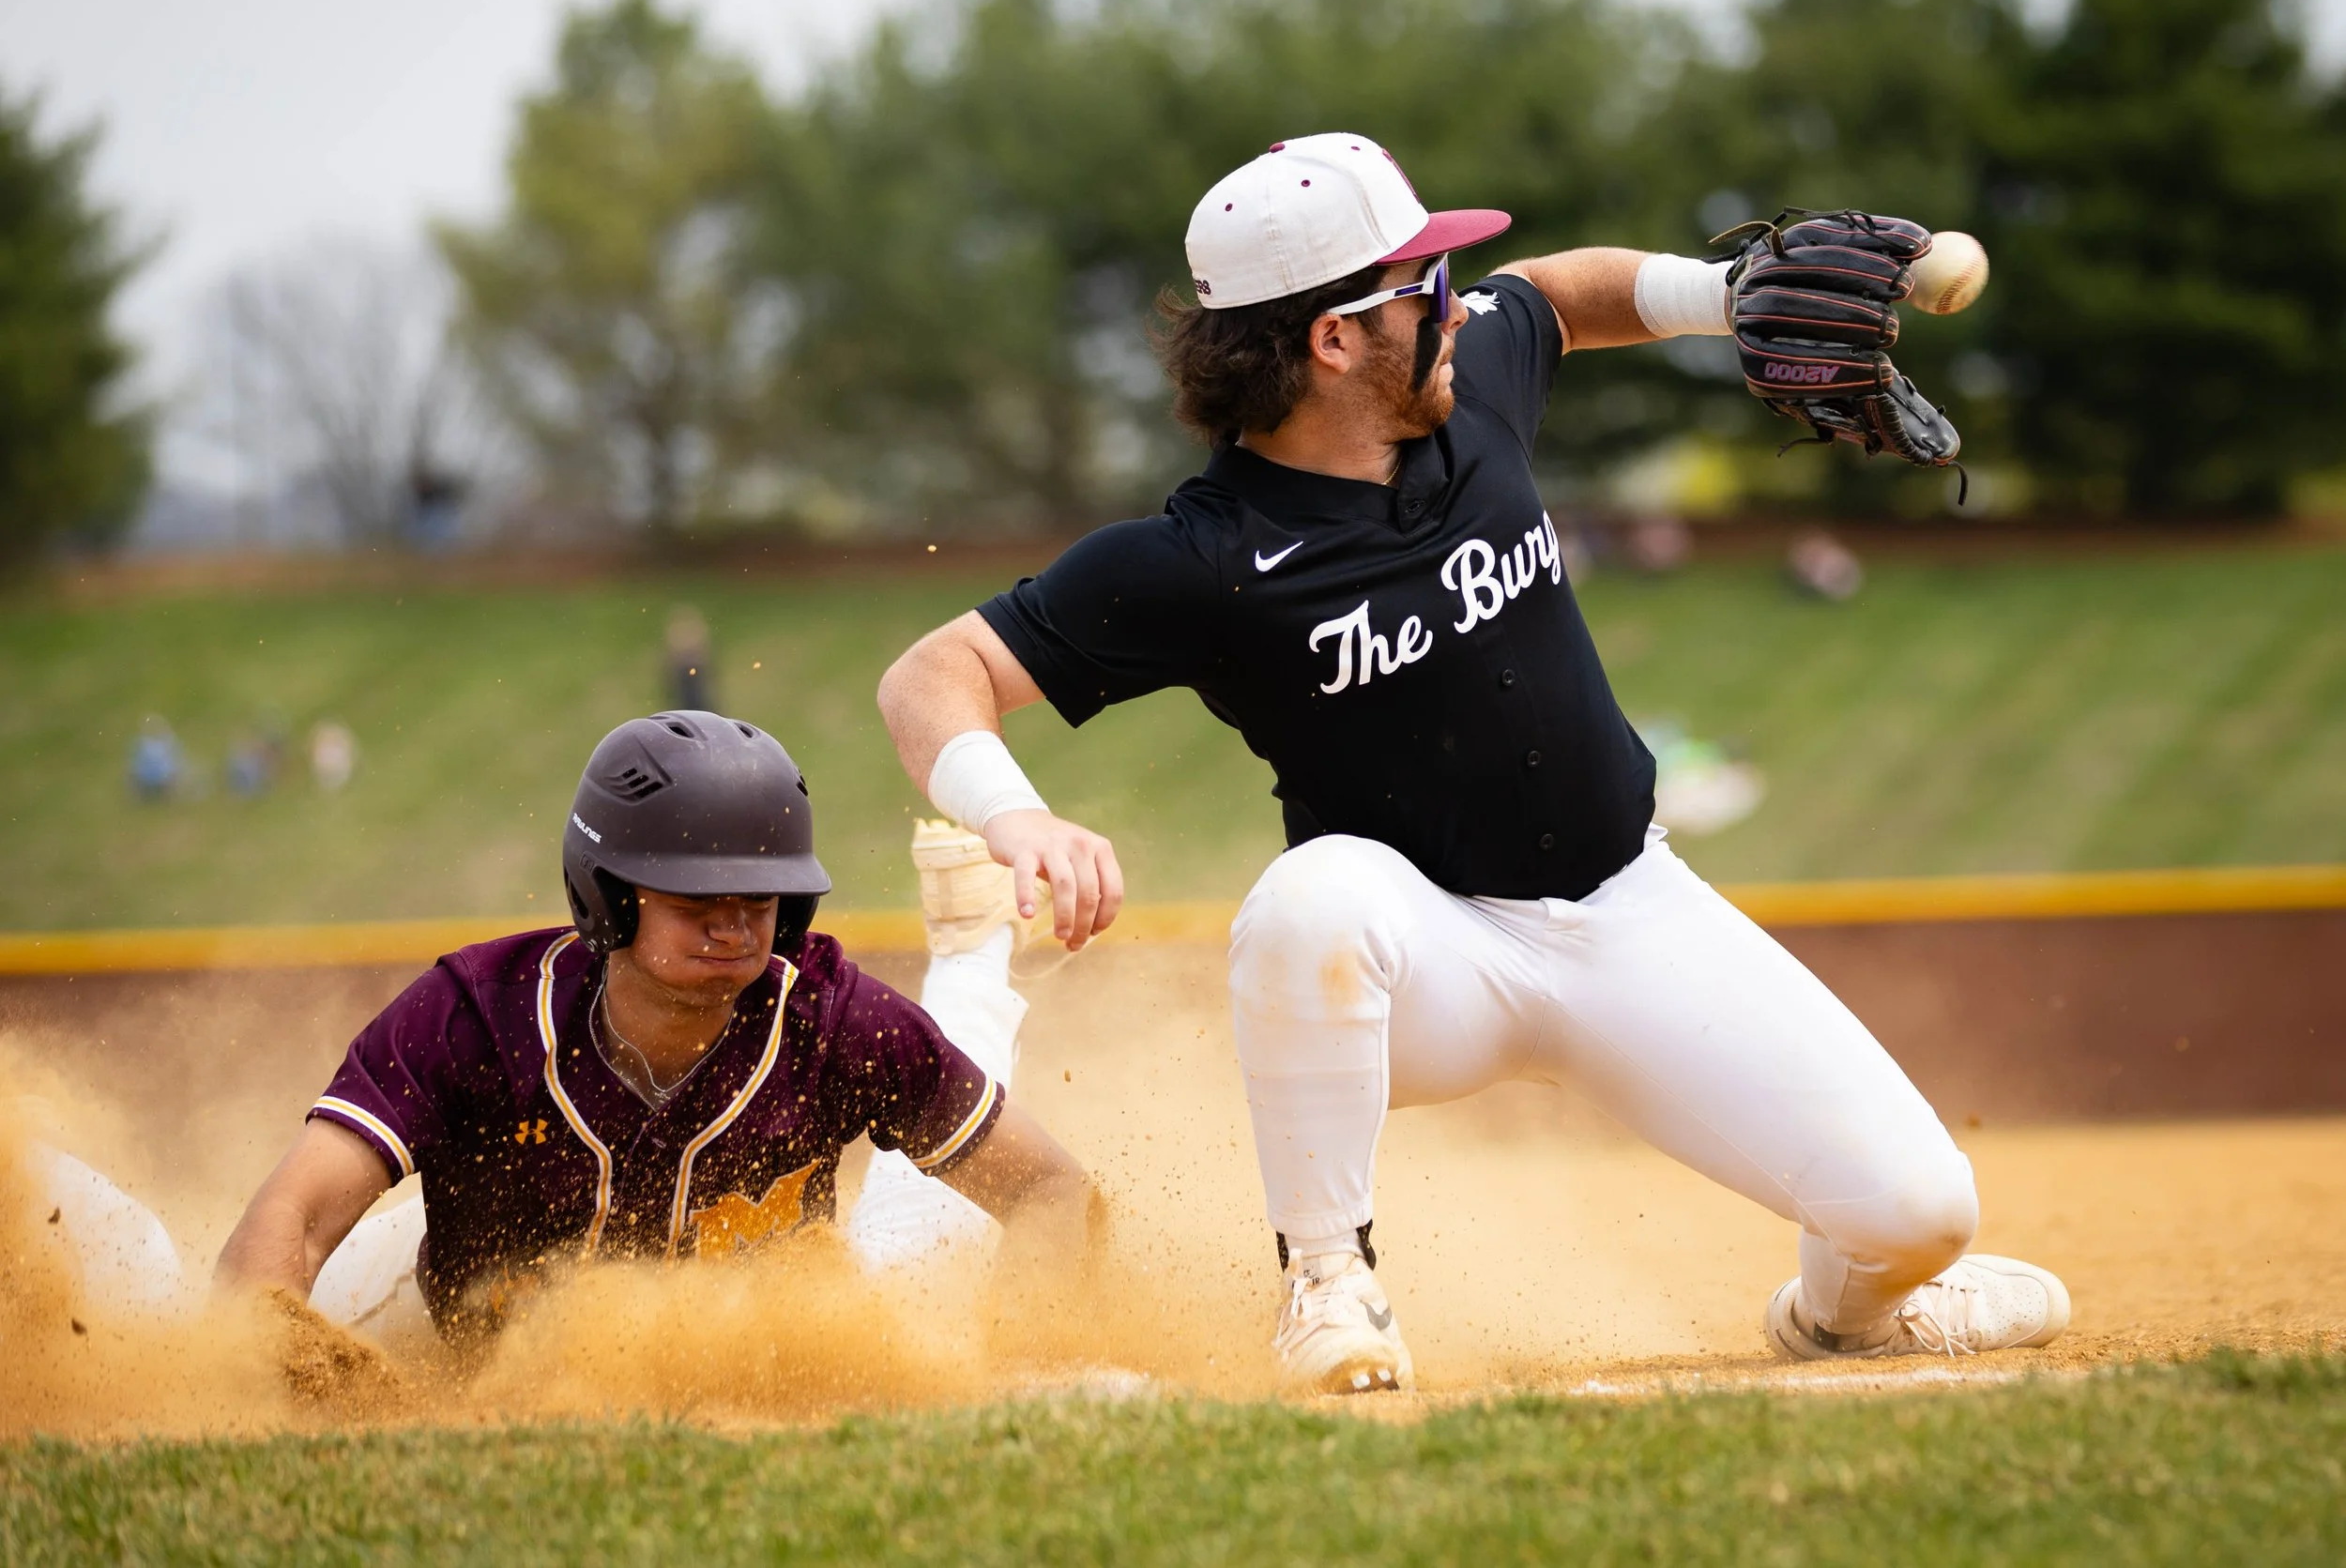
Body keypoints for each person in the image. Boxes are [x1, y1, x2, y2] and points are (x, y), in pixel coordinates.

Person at [875, 132, 2071, 1394]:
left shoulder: (1466, 385)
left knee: (1923, 1212)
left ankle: (1845, 1318)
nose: (1457, 302)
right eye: (1423, 284)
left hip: (1630, 913)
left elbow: (1557, 294)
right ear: (1334, 338)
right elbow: (930, 677)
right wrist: (1016, 820)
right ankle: (1328, 1282)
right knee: (1309, 901)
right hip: (1430, 960)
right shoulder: (1202, 557)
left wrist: (1720, 298)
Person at [215, 710, 1081, 1355]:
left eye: (758, 901)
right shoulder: (475, 1014)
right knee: (239, 1318)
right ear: (606, 894)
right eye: (697, 902)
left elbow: (1052, 1191)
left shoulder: (829, 1017)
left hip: (759, 1336)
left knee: (924, 1244)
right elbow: (287, 1221)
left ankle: (975, 943)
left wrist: (1017, 1366)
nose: (733, 928)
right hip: (442, 1317)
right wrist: (278, 1361)